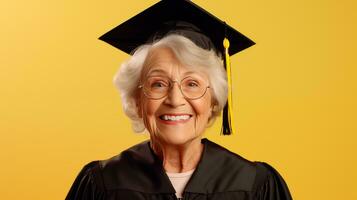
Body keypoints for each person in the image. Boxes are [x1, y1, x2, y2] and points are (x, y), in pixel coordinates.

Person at [66, 1, 292, 199]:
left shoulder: (254, 185)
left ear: (213, 99)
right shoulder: (102, 184)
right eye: (158, 84)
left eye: (192, 84)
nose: (175, 99)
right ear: (137, 99)